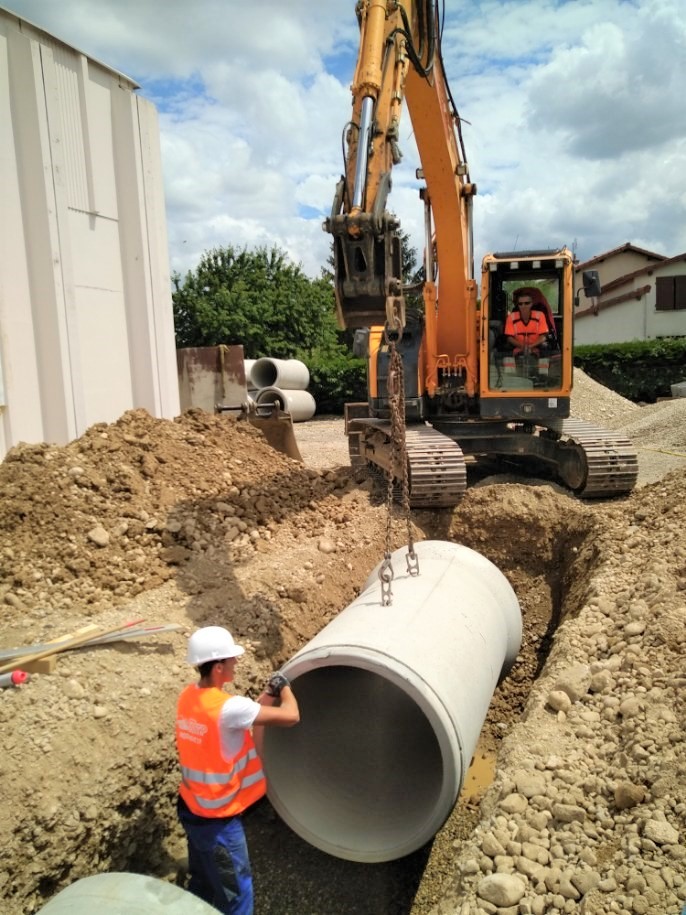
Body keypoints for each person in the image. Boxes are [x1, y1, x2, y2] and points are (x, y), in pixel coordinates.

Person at [175, 626, 300, 915]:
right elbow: (292, 716)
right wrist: (285, 688)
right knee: (236, 896)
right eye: (232, 659)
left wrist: (268, 694)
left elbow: (247, 715)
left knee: (204, 880)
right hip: (219, 822)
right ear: (219, 667)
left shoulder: (189, 697)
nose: (236, 663)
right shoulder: (229, 708)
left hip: (192, 808)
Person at [504, 288, 552, 357]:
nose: (523, 306)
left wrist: (531, 346)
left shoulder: (540, 315)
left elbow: (543, 336)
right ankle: (508, 367)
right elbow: (509, 338)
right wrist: (522, 346)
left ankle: (543, 367)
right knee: (505, 348)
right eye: (520, 304)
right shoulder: (511, 317)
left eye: (527, 303)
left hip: (536, 345)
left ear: (532, 304)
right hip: (518, 345)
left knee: (546, 347)